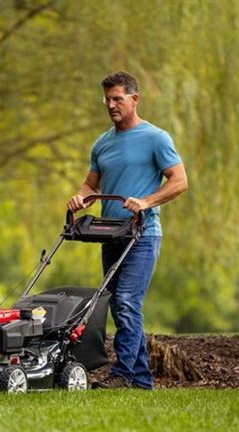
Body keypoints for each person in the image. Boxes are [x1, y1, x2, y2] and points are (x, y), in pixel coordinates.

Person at [67, 71, 188, 389]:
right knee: (117, 304)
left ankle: (124, 374)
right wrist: (82, 198)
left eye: (117, 98)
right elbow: (90, 184)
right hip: (110, 234)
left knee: (127, 301)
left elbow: (179, 181)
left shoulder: (156, 138)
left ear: (135, 99)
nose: (110, 105)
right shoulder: (102, 143)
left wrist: (146, 201)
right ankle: (140, 378)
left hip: (143, 235)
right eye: (106, 99)